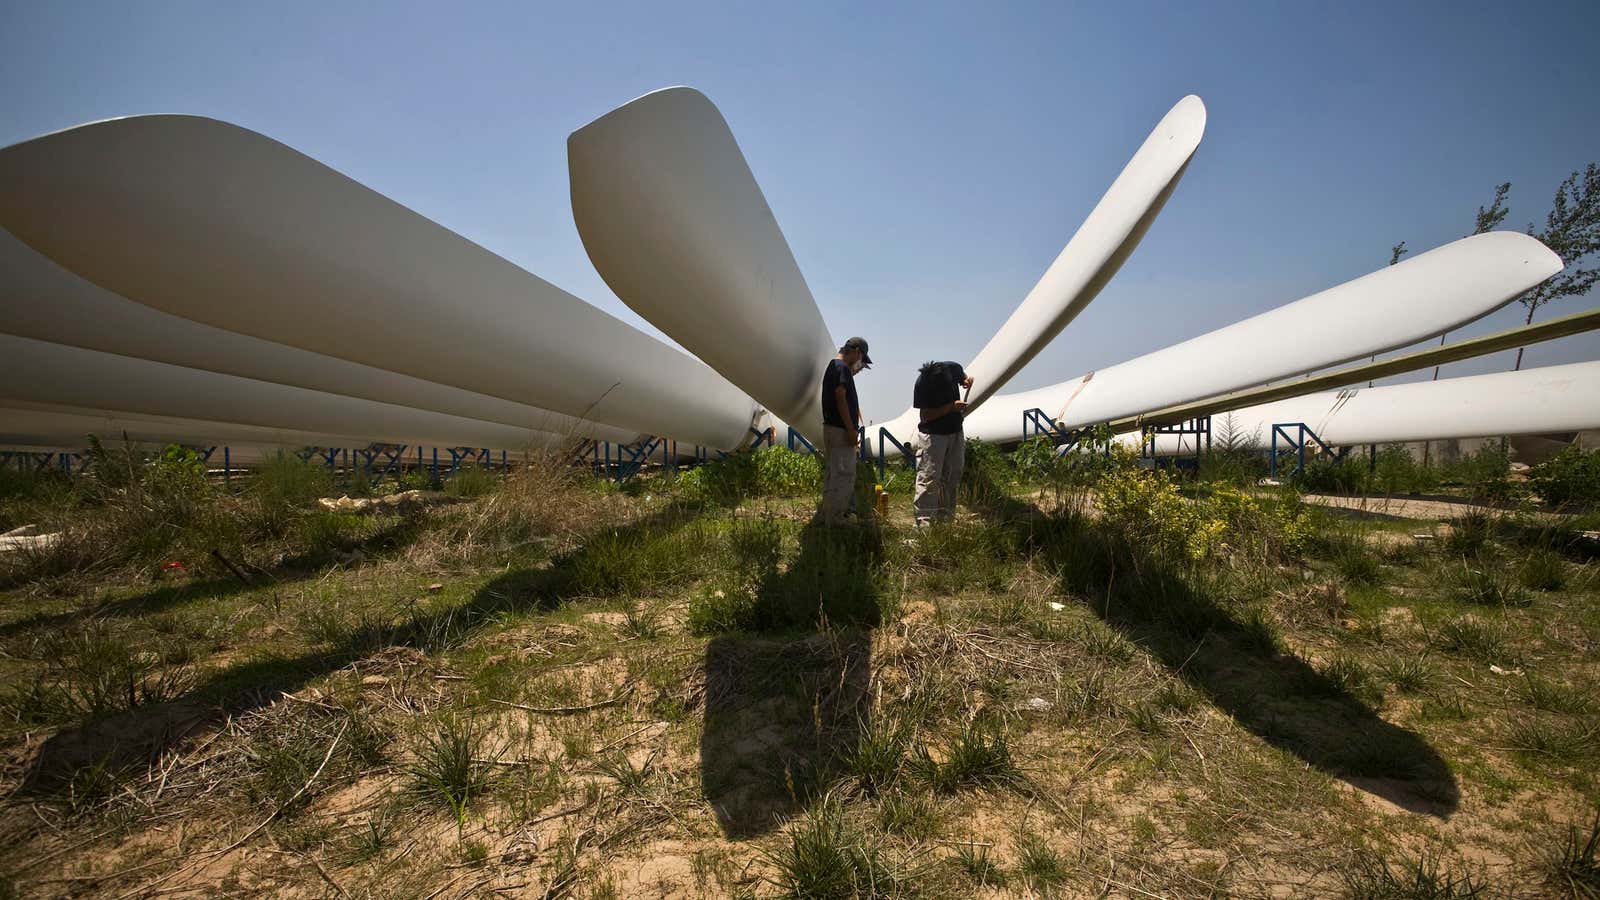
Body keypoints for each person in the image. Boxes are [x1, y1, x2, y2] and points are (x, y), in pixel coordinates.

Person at [815, 336, 871, 524]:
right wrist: (850, 430)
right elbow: (841, 397)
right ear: (856, 352)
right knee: (843, 474)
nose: (860, 365)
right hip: (840, 430)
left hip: (832, 429)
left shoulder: (834, 366)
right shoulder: (842, 368)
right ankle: (836, 519)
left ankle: (828, 516)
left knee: (834, 474)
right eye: (861, 360)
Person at [912, 359, 973, 526]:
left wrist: (966, 380)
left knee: (952, 476)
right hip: (933, 437)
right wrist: (951, 407)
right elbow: (926, 416)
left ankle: (945, 521)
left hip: (955, 432)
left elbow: (963, 376)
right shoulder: (923, 384)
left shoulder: (952, 369)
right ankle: (924, 526)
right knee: (929, 479)